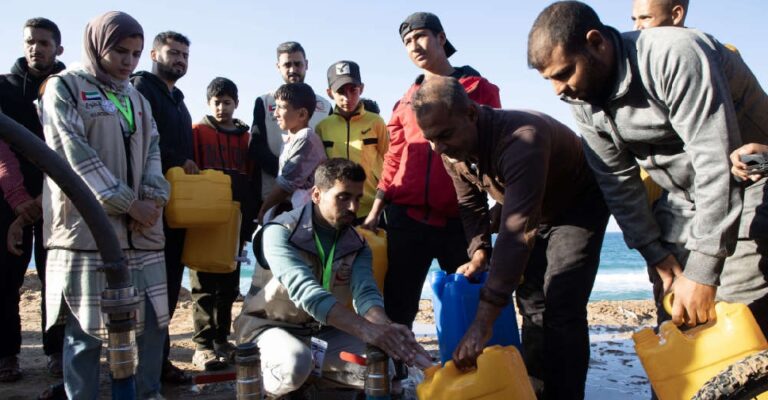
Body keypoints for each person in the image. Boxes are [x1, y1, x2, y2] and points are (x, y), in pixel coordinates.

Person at [527, 1, 768, 335]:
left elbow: (715, 163)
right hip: (682, 197)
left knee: (735, 313)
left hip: (750, 182)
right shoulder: (580, 97)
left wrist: (702, 271)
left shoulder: (675, 54)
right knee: (675, 321)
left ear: (597, 43)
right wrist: (656, 255)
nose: (558, 90)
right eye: (549, 80)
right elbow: (617, 183)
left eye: (565, 73)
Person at [413, 75, 609, 398]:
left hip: (577, 204)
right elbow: (470, 202)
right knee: (532, 303)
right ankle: (532, 389)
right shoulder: (449, 149)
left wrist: (483, 321)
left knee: (561, 303)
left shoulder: (522, 140)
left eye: (445, 135)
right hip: (530, 203)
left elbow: (516, 234)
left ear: (472, 114)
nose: (439, 148)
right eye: (430, 139)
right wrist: (479, 251)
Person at [39, 11, 170, 398]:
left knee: (149, 325)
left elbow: (153, 151)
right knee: (86, 331)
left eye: (135, 53)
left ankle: (146, 393)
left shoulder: (137, 98)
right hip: (87, 232)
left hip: (142, 233)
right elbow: (72, 155)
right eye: (120, 52)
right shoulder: (65, 88)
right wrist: (128, 203)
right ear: (98, 46)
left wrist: (154, 196)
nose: (128, 62)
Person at [234, 158, 430, 397]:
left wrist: (390, 330)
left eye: (358, 198)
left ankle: (311, 381)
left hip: (323, 332)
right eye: (343, 197)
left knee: (383, 367)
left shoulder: (357, 244)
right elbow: (307, 293)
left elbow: (366, 295)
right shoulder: (279, 232)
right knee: (294, 364)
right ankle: (270, 386)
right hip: (268, 327)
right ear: (316, 195)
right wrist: (368, 331)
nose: (353, 208)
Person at [363, 11, 501, 336]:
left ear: (441, 38)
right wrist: (375, 211)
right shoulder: (405, 100)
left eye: (421, 36)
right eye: (407, 42)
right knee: (398, 305)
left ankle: (477, 374)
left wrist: (502, 204)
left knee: (469, 299)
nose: (415, 46)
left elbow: (495, 147)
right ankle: (395, 376)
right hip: (406, 220)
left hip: (460, 217)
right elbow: (394, 159)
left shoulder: (477, 88)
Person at [0, 17, 65, 383]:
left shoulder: (69, 88)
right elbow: (1, 145)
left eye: (43, 42)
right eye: (30, 41)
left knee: (55, 278)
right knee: (5, 279)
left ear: (58, 48)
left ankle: (57, 351)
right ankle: (7, 354)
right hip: (10, 201)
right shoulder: (3, 88)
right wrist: (18, 197)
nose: (35, 48)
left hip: (58, 198)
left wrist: (49, 193)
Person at [130, 30, 194, 385]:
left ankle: (159, 361)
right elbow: (143, 145)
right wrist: (179, 160)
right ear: (154, 53)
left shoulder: (179, 101)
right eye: (173, 53)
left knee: (168, 287)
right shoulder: (141, 89)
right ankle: (144, 366)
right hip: (144, 207)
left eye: (185, 54)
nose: (180, 59)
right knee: (147, 291)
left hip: (174, 211)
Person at [190, 77, 254, 370]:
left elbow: (251, 176)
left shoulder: (244, 137)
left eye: (227, 102)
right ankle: (202, 345)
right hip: (204, 218)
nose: (221, 107)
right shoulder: (198, 131)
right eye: (216, 101)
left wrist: (250, 222)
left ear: (236, 104)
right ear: (208, 103)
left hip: (234, 219)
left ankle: (221, 340)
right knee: (203, 284)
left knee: (228, 284)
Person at [250, 41, 331, 211]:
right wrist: (288, 173)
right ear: (278, 66)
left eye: (298, 64)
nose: (293, 69)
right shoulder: (265, 102)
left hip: (311, 200)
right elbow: (256, 147)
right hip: (272, 196)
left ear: (306, 65)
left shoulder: (325, 106)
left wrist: (300, 176)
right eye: (287, 64)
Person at [315, 60, 389, 222]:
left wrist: (382, 202)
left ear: (361, 88)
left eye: (353, 90)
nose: (347, 97)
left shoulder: (376, 122)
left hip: (371, 209)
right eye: (340, 91)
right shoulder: (322, 127)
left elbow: (390, 161)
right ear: (329, 93)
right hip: (336, 210)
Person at [257, 82, 327, 224]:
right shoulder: (291, 139)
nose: (275, 113)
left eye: (281, 107)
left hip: (307, 218)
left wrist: (263, 211)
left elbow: (286, 184)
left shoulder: (305, 138)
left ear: (302, 114)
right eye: (275, 107)